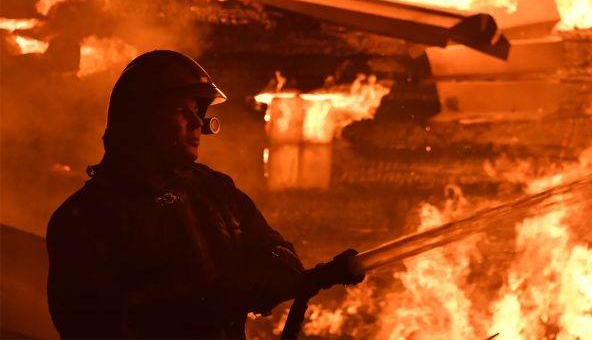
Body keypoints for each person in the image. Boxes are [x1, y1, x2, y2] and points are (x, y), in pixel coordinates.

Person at [46, 50, 364, 339]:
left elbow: (277, 257)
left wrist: (286, 277)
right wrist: (204, 301)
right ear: (141, 119)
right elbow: (91, 326)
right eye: (180, 110)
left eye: (198, 110)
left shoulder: (215, 191)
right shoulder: (86, 220)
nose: (197, 122)